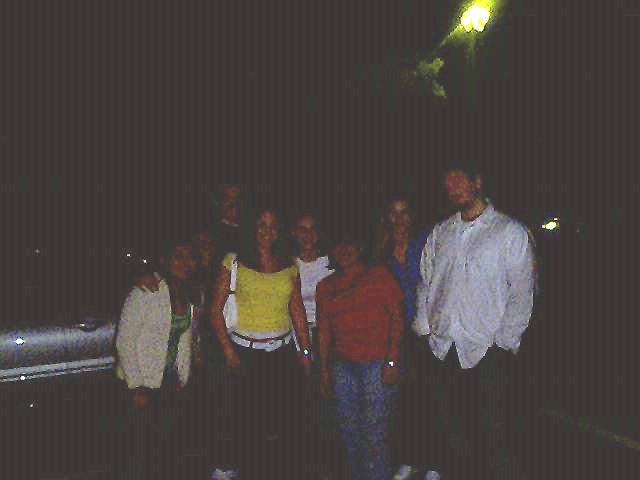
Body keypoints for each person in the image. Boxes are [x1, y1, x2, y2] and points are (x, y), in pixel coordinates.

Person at [412, 162, 536, 479]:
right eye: (448, 183)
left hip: (486, 350)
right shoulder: (441, 232)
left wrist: (504, 343)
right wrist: (424, 328)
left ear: (477, 182)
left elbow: (522, 291)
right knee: (451, 433)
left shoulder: (508, 231)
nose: (453, 188)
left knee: (493, 437)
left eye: (459, 180)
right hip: (443, 348)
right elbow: (426, 281)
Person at [209, 207, 312, 480]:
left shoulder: (290, 264)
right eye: (262, 225)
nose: (268, 231)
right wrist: (228, 351)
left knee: (280, 422)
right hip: (245, 353)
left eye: (273, 226)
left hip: (282, 353)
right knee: (246, 422)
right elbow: (214, 310)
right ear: (252, 228)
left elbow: (297, 310)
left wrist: (305, 351)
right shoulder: (233, 261)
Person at [316, 228, 404, 480]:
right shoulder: (325, 287)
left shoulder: (378, 275)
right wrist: (324, 370)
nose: (344, 250)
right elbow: (324, 331)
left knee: (374, 432)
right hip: (342, 365)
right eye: (339, 246)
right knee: (349, 430)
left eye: (350, 244)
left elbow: (397, 318)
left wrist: (392, 360)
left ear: (360, 248)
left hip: (377, 363)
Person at [114, 235, 198, 479]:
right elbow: (124, 341)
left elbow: (185, 339)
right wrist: (136, 386)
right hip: (142, 382)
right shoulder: (146, 291)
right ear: (164, 260)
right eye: (178, 256)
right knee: (138, 455)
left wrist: (183, 376)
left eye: (190, 257)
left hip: (169, 380)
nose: (185, 262)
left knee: (164, 451)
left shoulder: (190, 294)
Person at [372, 195, 438, 480]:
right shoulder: (380, 252)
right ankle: (408, 458)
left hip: (428, 330)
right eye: (393, 213)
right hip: (396, 336)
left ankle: (434, 462)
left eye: (404, 212)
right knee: (403, 400)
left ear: (412, 215)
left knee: (431, 398)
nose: (399, 219)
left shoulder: (426, 241)